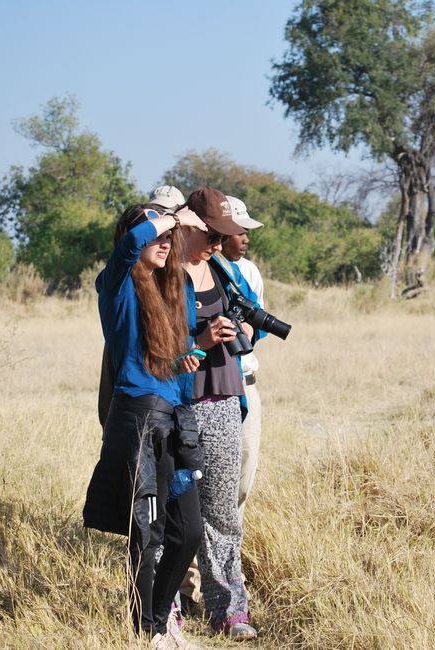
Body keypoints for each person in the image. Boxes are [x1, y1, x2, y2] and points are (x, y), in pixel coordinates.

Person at [83, 203, 208, 649]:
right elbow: (134, 242)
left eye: (167, 237)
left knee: (188, 530)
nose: (163, 241)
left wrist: (190, 354)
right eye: (154, 234)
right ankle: (150, 632)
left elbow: (163, 366)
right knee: (148, 532)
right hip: (137, 421)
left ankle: (157, 622)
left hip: (175, 419)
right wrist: (175, 217)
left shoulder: (171, 290)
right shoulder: (115, 285)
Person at [182, 188, 260, 640]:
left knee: (222, 512)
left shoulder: (220, 268)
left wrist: (246, 329)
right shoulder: (166, 272)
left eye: (223, 235)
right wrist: (202, 339)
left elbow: (250, 317)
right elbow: (152, 343)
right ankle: (165, 607)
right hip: (180, 403)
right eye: (211, 233)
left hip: (225, 399)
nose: (217, 242)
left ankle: (230, 611)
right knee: (176, 515)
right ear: (189, 224)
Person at [221, 195, 266, 522]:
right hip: (215, 386)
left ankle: (230, 556)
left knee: (244, 473)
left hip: (246, 380)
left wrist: (250, 331)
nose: (246, 238)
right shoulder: (199, 272)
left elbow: (257, 328)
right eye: (239, 231)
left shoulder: (249, 272)